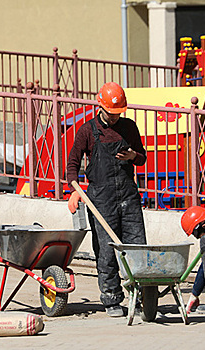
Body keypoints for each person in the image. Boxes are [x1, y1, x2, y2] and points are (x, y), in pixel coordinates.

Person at [66, 82, 147, 317]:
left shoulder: (129, 127)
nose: (114, 118)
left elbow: (142, 157)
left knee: (137, 246)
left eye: (118, 114)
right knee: (106, 250)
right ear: (100, 106)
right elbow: (73, 163)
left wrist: (133, 155)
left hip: (128, 195)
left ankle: (140, 296)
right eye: (111, 114)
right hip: (101, 199)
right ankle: (111, 298)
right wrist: (74, 189)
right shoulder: (87, 131)